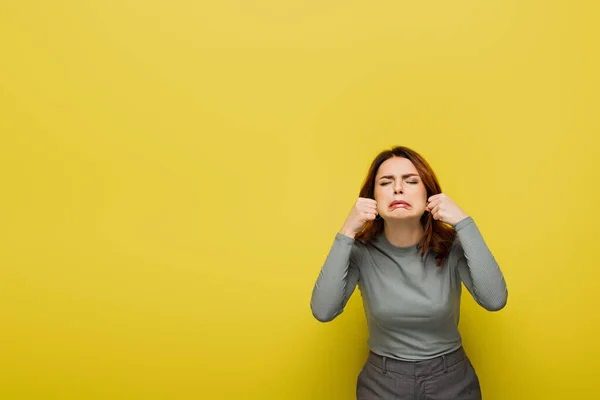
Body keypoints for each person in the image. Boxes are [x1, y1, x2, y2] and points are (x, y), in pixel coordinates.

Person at [310, 146, 508, 400]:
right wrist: (347, 231)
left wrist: (463, 222)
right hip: (382, 383)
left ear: (429, 194)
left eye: (411, 181)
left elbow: (495, 300)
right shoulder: (361, 252)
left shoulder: (452, 247)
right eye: (385, 182)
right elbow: (323, 311)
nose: (398, 189)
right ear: (372, 198)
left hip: (451, 380)